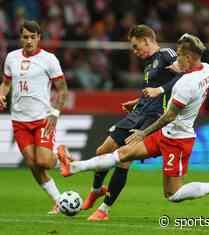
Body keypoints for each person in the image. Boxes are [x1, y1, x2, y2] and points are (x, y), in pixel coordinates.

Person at [57, 33, 209, 214]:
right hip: (165, 133)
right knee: (121, 155)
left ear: (189, 57)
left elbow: (169, 116)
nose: (177, 59)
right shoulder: (206, 69)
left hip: (179, 140)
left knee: (173, 195)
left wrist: (142, 133)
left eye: (180, 55)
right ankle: (73, 167)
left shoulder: (186, 84)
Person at [74, 24, 180, 221]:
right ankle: (96, 190)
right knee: (102, 151)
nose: (134, 51)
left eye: (135, 46)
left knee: (124, 160)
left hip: (153, 117)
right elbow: (151, 91)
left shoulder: (167, 54)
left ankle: (104, 209)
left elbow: (184, 77)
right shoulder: (149, 64)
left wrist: (161, 91)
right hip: (139, 112)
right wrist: (138, 101)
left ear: (147, 40)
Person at [0, 20, 68, 214]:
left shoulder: (49, 59)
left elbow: (62, 90)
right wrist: (1, 94)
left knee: (43, 161)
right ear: (20, 38)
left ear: (39, 38)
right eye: (25, 37)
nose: (28, 41)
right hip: (19, 120)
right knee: (32, 163)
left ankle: (61, 156)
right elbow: (5, 82)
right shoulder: (11, 58)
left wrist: (55, 113)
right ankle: (58, 201)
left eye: (32, 37)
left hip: (42, 117)